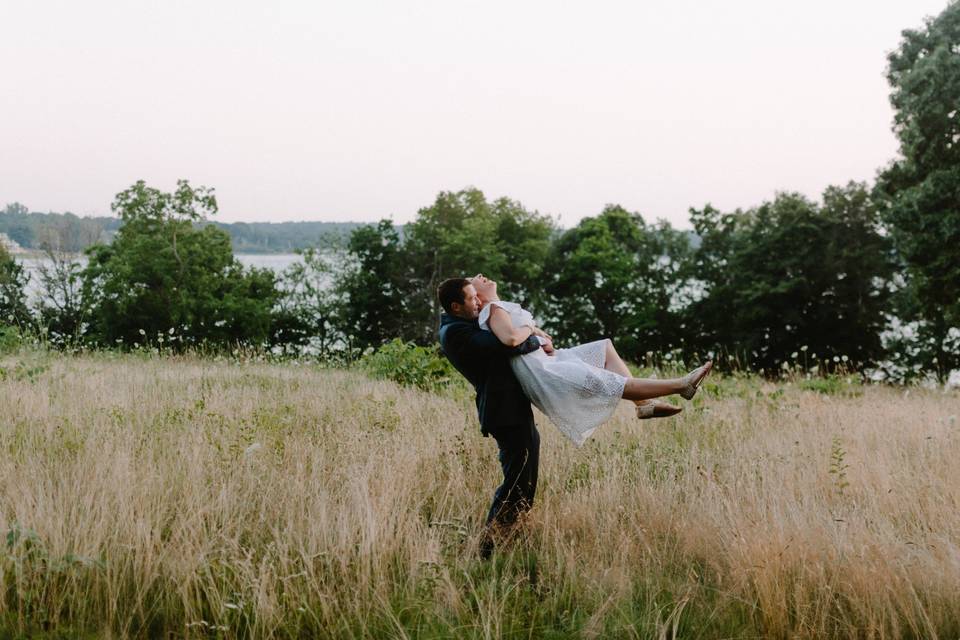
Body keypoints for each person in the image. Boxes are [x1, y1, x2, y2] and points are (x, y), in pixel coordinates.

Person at [469, 274, 712, 447]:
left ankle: (643, 404)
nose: (482, 276)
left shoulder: (498, 307)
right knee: (613, 382)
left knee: (604, 347)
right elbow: (510, 338)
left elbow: (524, 333)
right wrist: (532, 329)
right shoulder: (492, 310)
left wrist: (538, 333)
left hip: (548, 357)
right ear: (476, 295)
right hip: (543, 369)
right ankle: (682, 385)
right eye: (475, 279)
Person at [437, 277, 545, 558]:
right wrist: (532, 332)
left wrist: (524, 331)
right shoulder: (456, 333)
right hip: (502, 412)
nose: (479, 301)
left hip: (512, 408)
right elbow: (511, 343)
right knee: (516, 481)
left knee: (524, 479)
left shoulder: (464, 322)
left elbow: (507, 334)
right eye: (473, 299)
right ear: (456, 306)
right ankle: (487, 548)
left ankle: (507, 538)